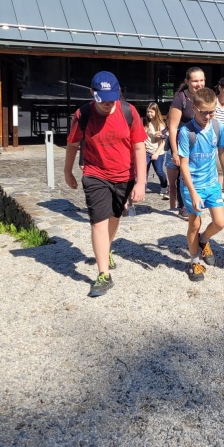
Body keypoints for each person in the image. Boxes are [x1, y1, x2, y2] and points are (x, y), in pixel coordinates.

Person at [64, 71, 146, 297]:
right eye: (103, 100)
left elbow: (139, 147)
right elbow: (73, 144)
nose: (108, 104)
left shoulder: (129, 112)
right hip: (95, 173)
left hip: (124, 175)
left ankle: (106, 248)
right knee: (98, 220)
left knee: (114, 217)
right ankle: (103, 275)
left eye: (112, 99)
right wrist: (67, 171)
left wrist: (141, 182)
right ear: (92, 93)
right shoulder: (83, 114)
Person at [178, 87, 224, 282]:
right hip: (192, 185)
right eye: (203, 112)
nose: (208, 116)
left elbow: (222, 151)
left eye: (211, 111)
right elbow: (183, 164)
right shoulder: (186, 132)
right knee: (195, 224)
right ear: (194, 108)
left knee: (220, 222)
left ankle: (203, 240)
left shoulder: (217, 127)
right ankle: (194, 261)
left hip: (212, 183)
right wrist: (192, 192)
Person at [165, 66, 205, 220]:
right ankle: (183, 206)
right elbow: (173, 127)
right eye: (195, 81)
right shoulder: (180, 99)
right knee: (183, 174)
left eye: (201, 80)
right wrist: (175, 152)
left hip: (198, 144)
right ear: (187, 81)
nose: (199, 84)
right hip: (182, 144)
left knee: (196, 173)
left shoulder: (205, 96)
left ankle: (197, 200)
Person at [144, 102, 168, 198]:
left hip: (158, 152)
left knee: (159, 171)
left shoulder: (161, 125)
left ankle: (164, 186)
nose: (149, 114)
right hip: (146, 151)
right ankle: (142, 189)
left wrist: (157, 153)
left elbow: (163, 142)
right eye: (148, 112)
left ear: (156, 112)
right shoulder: (145, 123)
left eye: (151, 112)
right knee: (144, 171)